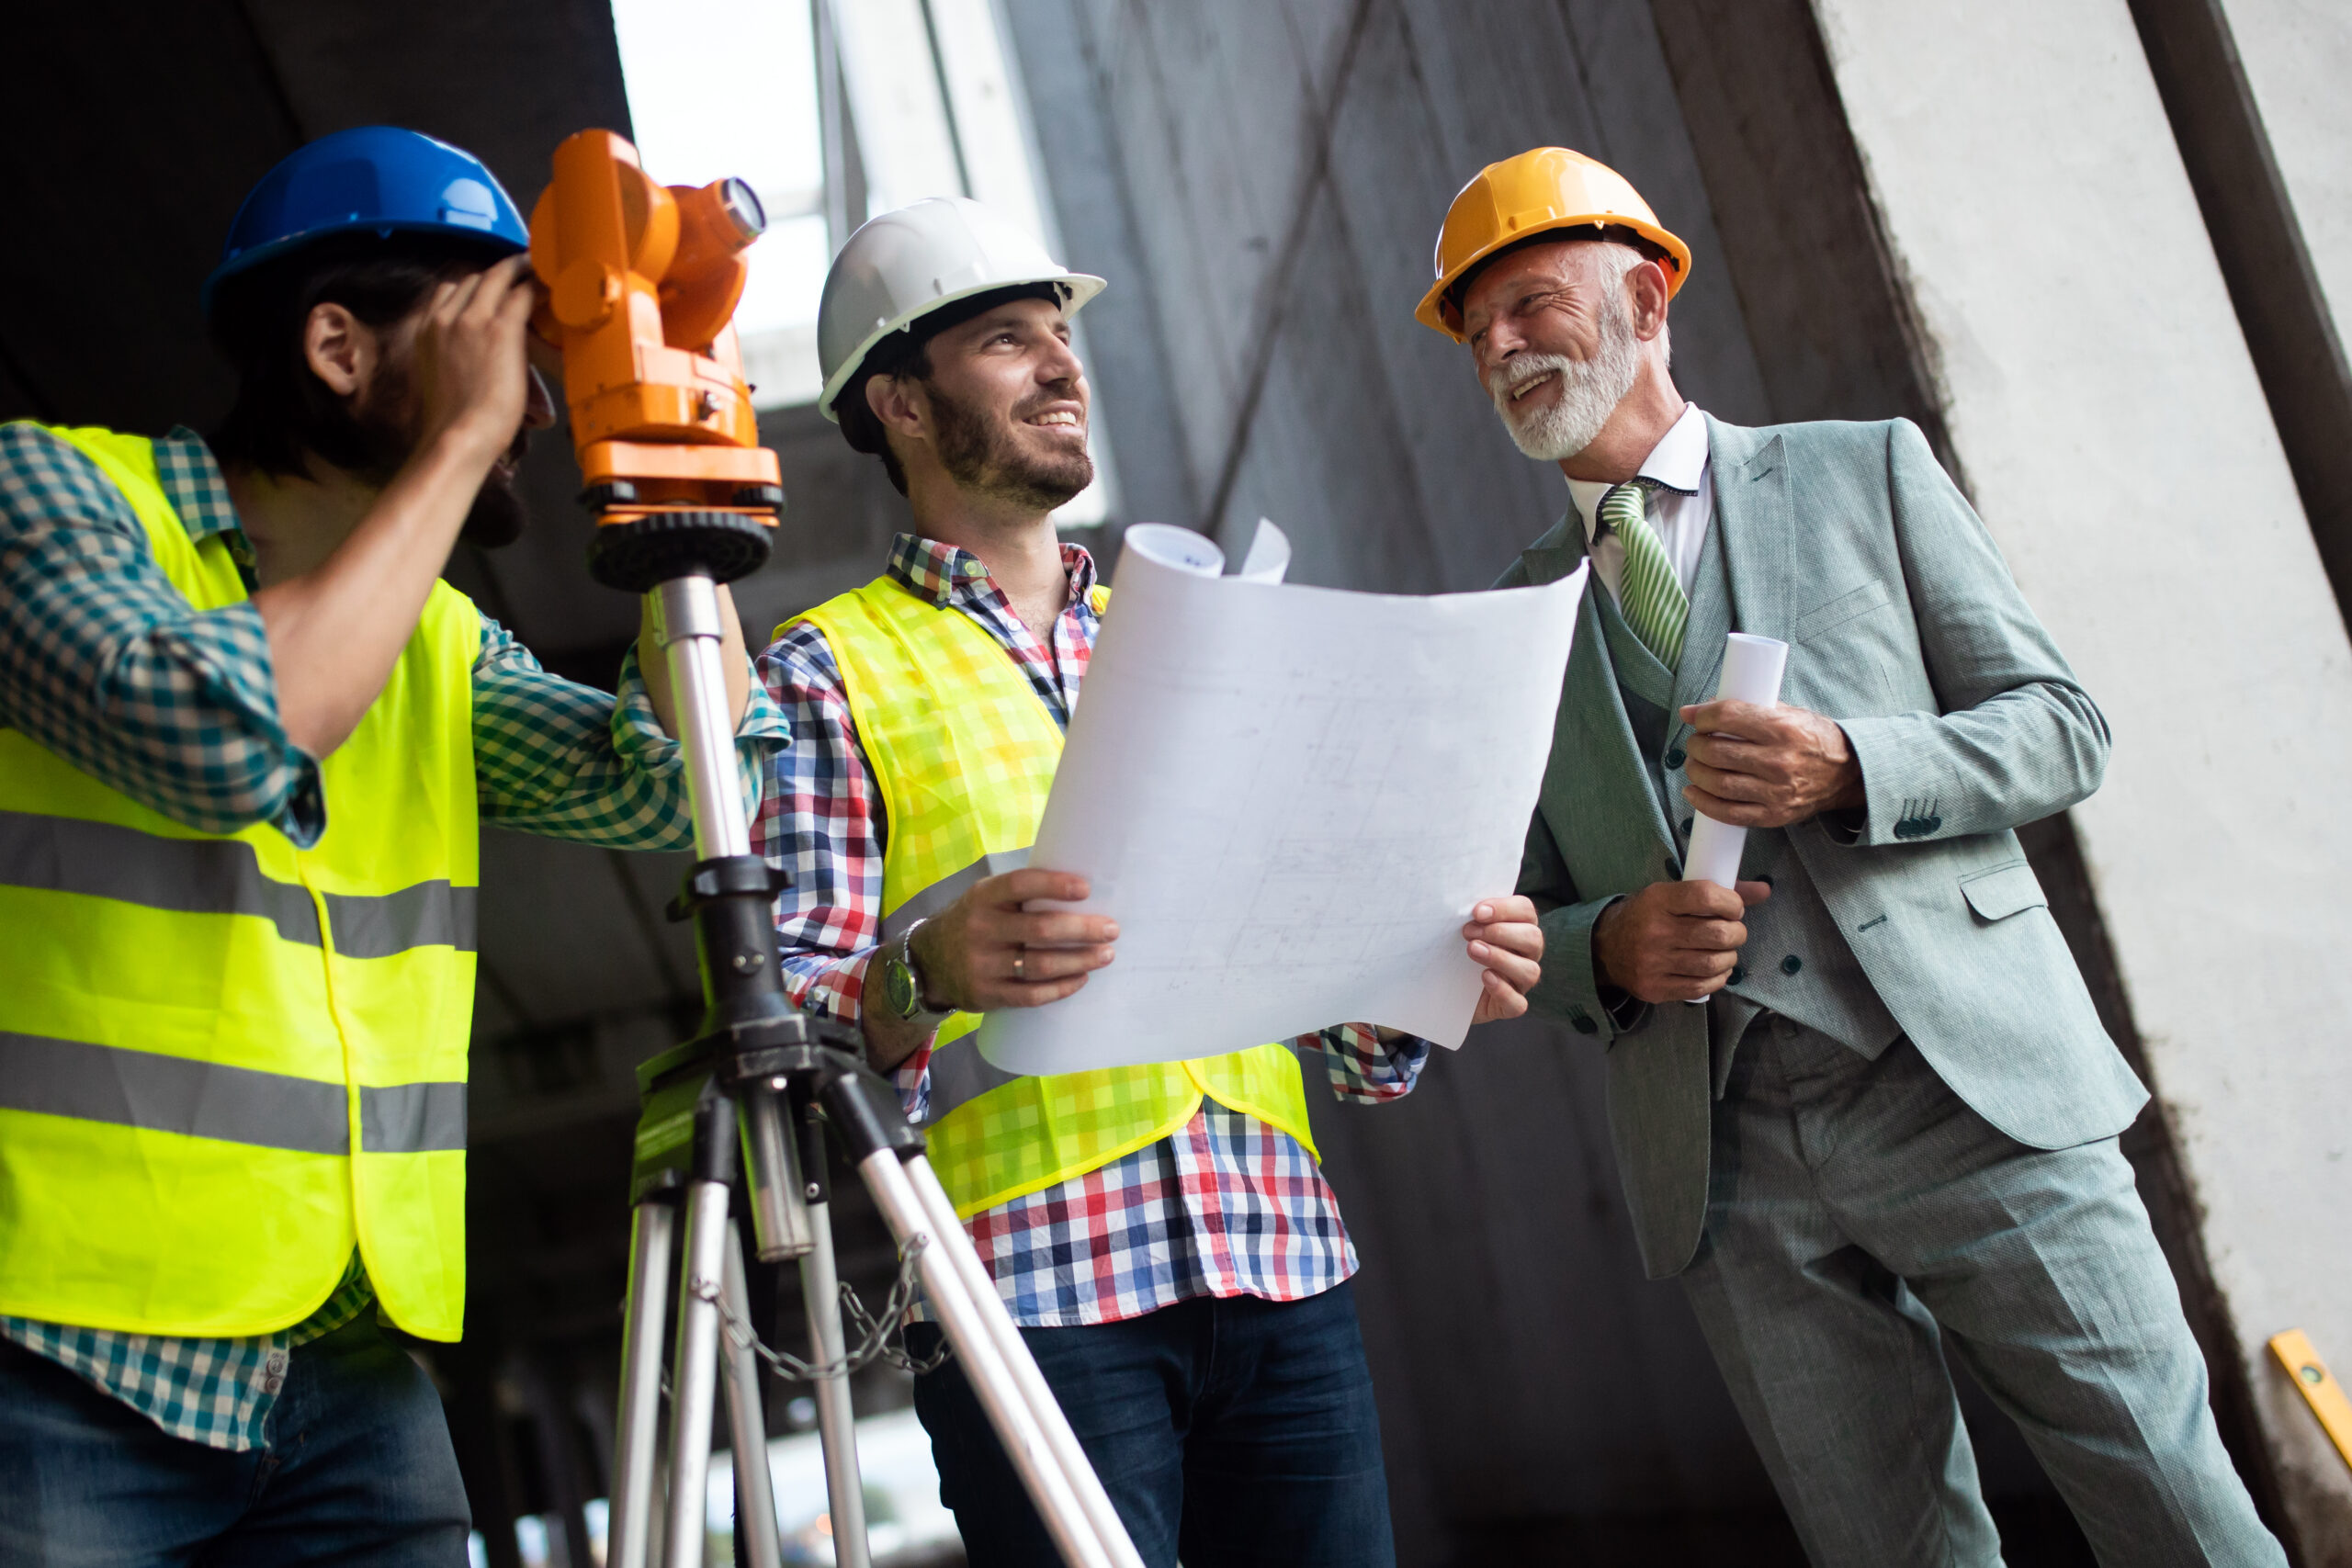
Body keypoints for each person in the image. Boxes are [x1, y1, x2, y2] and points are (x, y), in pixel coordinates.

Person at [1419, 146, 2285, 1566]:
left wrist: (1855, 763)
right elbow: (1503, 910)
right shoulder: (1500, 623)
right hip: (1723, 1161)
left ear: (1646, 297)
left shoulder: (1860, 467)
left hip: (1968, 1089)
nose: (1499, 349)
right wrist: (1606, 950)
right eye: (1475, 333)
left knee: (2175, 1512)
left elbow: (2063, 728)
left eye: (1527, 303)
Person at [0, 126, 788, 1565]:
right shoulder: (50, 494)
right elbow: (220, 733)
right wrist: (460, 441)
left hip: (349, 1372)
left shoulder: (435, 634)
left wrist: (679, 477)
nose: (532, 404)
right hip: (59, 1359)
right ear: (337, 347)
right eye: (496, 339)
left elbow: (686, 789)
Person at [755, 196, 1544, 1568]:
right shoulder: (827, 671)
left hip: (1279, 1255)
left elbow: (1347, 1039)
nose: (1066, 369)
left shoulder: (1200, 639)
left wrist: (1427, 971)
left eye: (1065, 339)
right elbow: (790, 1045)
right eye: (1011, 342)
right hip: (1030, 1298)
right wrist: (922, 971)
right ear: (897, 402)